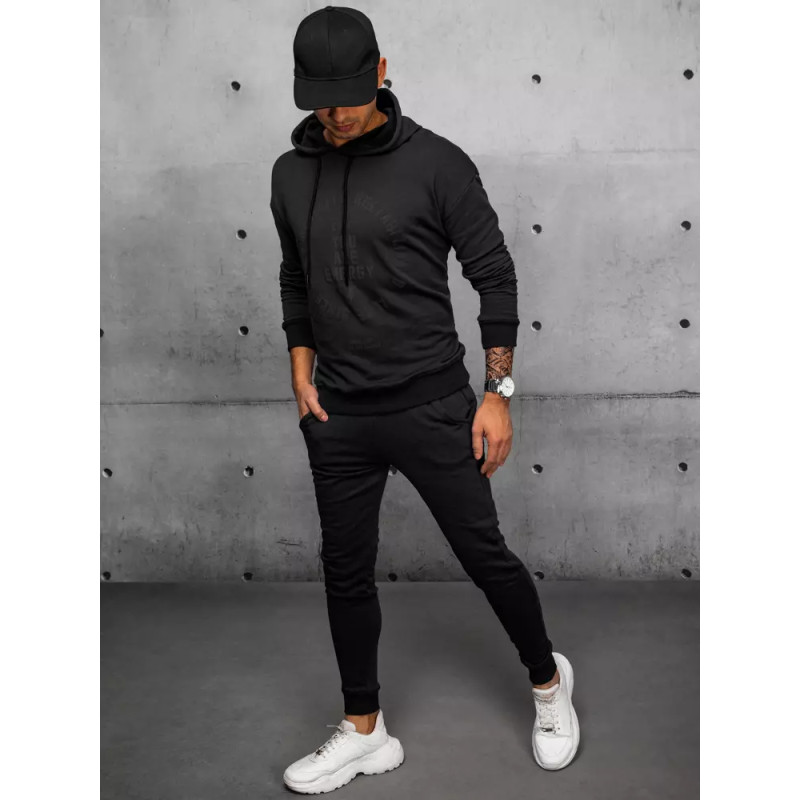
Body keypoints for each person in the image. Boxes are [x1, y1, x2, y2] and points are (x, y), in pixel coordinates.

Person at [271, 6, 580, 793]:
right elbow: (296, 277)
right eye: (319, 99)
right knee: (345, 572)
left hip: (432, 406)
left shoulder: (438, 164)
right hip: (338, 414)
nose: (335, 114)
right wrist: (301, 365)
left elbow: (495, 276)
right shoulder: (290, 173)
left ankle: (549, 684)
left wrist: (497, 394)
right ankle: (364, 730)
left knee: (484, 556)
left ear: (381, 72)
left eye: (348, 94)